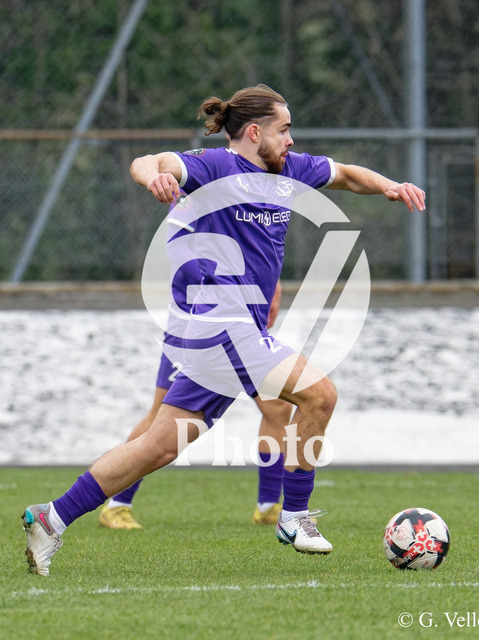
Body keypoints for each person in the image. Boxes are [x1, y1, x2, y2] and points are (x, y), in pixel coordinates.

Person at [21, 84, 425, 576]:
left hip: (225, 335)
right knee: (319, 395)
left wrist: (390, 186)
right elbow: (148, 161)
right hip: (221, 326)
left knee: (158, 446)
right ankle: (293, 517)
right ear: (254, 132)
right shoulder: (216, 167)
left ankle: (51, 517)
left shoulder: (290, 171)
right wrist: (154, 178)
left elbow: (346, 174)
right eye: (284, 130)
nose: (291, 140)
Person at [98, 282, 293, 529]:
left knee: (277, 406)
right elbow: (197, 268)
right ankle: (117, 505)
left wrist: (272, 288)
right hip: (193, 327)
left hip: (240, 328)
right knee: (162, 420)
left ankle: (268, 506)